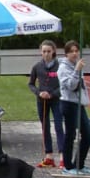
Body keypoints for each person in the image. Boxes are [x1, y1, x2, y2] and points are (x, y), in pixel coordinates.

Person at [57, 40, 90, 175]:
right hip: (68, 104)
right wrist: (77, 70)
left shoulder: (77, 64)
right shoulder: (63, 68)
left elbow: (81, 87)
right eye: (71, 51)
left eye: (76, 51)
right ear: (66, 54)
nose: (74, 54)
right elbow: (71, 85)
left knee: (88, 135)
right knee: (70, 135)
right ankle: (67, 166)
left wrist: (85, 100)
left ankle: (79, 164)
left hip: (79, 104)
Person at [28, 40, 65, 168]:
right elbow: (31, 84)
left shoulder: (60, 66)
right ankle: (49, 156)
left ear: (53, 51)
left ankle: (63, 156)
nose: (46, 54)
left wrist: (53, 94)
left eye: (49, 51)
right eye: (44, 51)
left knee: (59, 126)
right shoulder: (37, 67)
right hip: (42, 101)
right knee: (45, 127)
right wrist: (39, 93)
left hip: (56, 100)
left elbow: (63, 85)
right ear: (41, 52)